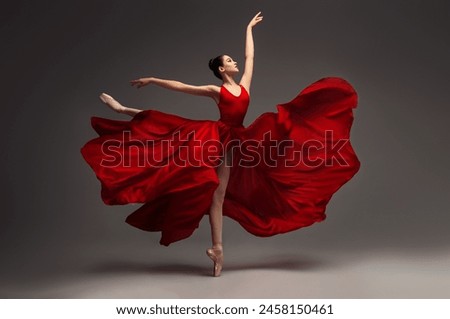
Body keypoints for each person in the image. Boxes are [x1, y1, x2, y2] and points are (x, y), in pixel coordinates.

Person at [81, 12, 360, 277]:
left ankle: (217, 249)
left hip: (238, 139)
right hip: (217, 137)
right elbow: (181, 86)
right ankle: (218, 249)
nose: (235, 62)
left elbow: (250, 56)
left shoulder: (245, 86)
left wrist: (248, 29)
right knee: (176, 139)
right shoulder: (217, 91)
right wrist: (153, 80)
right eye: (229, 60)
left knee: (231, 187)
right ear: (221, 68)